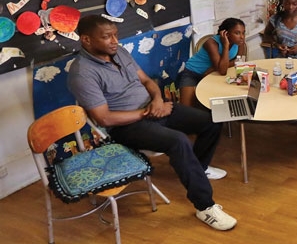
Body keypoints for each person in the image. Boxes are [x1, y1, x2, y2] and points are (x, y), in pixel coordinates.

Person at [67, 15, 237, 231]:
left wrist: (157, 100)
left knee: (212, 121)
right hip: (126, 125)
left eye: (115, 35)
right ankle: (205, 206)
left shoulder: (119, 52)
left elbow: (147, 81)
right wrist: (147, 112)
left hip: (154, 108)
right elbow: (104, 118)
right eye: (107, 37)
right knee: (178, 141)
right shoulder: (82, 72)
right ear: (86, 40)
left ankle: (198, 169)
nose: (114, 41)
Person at [177, 18, 247, 106]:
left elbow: (238, 62)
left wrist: (214, 68)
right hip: (192, 73)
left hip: (212, 73)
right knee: (186, 108)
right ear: (226, 33)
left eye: (243, 32)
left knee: (216, 103)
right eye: (237, 33)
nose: (242, 37)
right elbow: (223, 69)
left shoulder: (240, 43)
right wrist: (226, 46)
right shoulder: (211, 43)